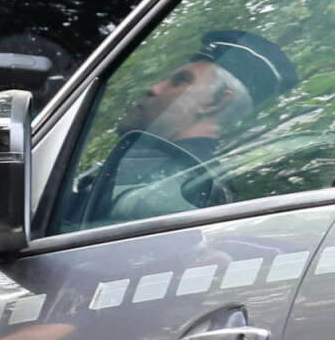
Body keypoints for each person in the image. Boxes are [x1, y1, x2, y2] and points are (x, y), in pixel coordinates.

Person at [80, 26, 297, 221]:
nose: (155, 88)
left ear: (216, 101)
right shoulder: (160, 164)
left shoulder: (188, 186)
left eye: (180, 81)